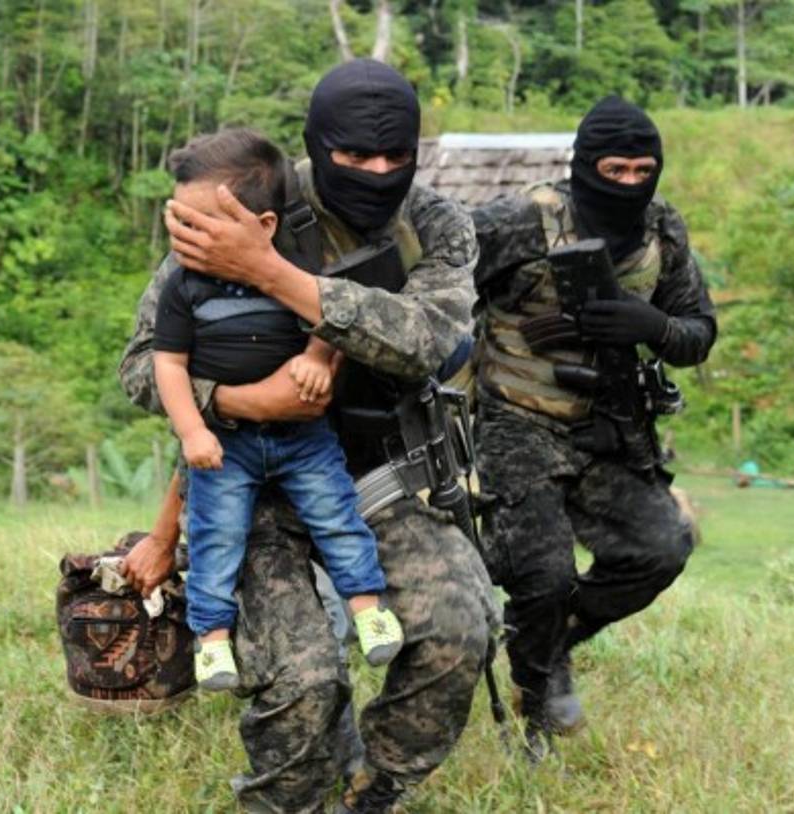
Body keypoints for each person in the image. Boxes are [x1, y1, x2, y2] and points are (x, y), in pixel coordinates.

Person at [119, 58, 497, 814]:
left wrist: (266, 273)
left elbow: (426, 340)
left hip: (379, 478)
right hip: (248, 483)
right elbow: (141, 367)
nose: (378, 171)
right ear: (318, 145)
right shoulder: (245, 200)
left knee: (459, 631)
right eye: (354, 156)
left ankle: (375, 786)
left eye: (397, 156)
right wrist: (239, 398)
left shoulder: (435, 223)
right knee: (303, 684)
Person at [470, 95, 718, 757]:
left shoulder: (663, 230)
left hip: (609, 423)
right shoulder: (522, 220)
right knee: (543, 574)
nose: (631, 185)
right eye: (616, 169)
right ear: (585, 166)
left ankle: (545, 646)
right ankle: (535, 723)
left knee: (661, 548)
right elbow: (438, 276)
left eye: (644, 171)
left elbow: (698, 334)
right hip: (514, 421)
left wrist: (652, 327)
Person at [151, 129, 404, 691]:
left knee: (337, 514)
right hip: (226, 441)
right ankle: (211, 639)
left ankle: (367, 606)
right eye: (179, 223)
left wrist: (319, 357)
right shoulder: (183, 287)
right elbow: (165, 364)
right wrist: (193, 429)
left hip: (303, 438)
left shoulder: (295, 269)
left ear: (263, 226)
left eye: (199, 225)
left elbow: (331, 318)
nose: (184, 238)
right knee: (218, 536)